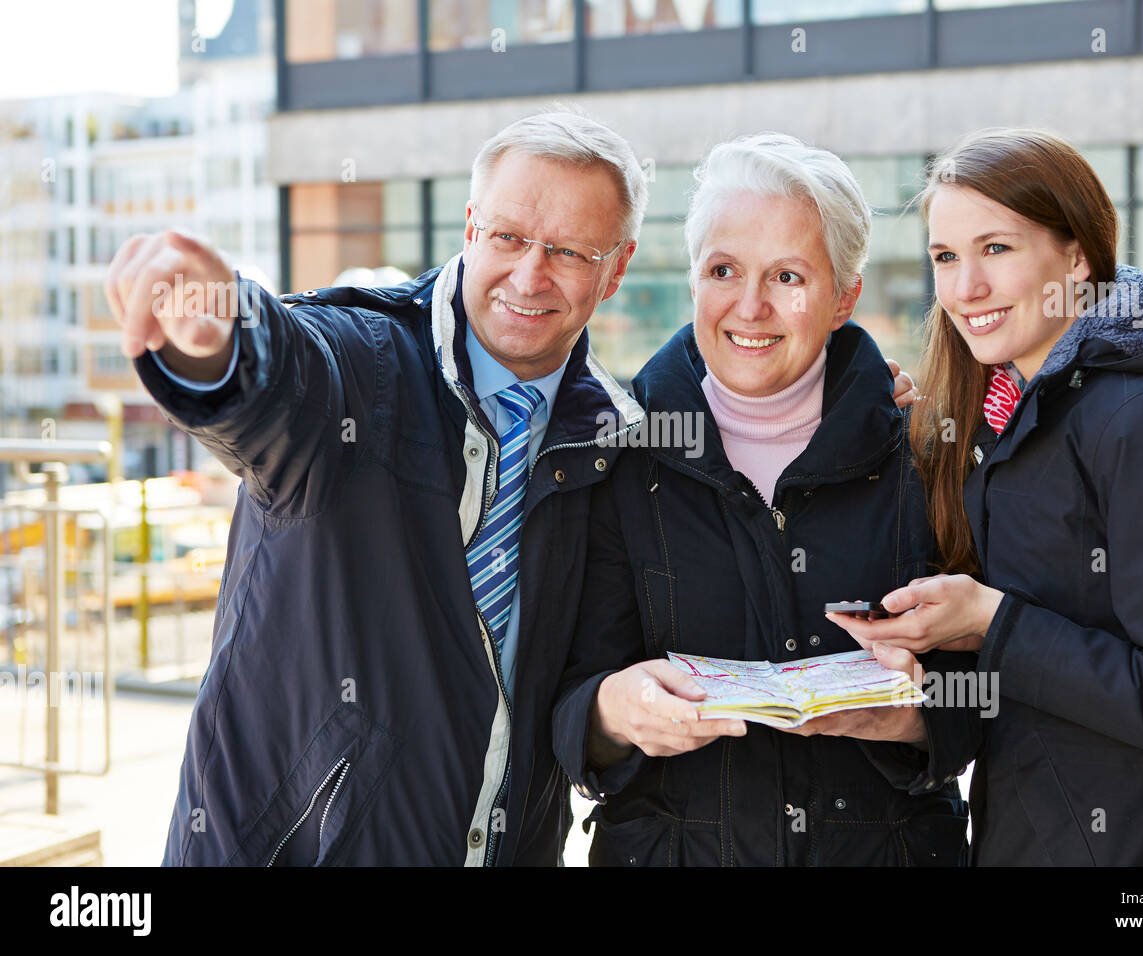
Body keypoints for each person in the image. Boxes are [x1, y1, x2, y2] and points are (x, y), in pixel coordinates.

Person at [104, 110, 651, 865]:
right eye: (509, 238)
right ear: (469, 228)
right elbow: (282, 379)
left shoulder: (615, 443)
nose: (531, 275)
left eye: (568, 251)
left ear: (616, 269)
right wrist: (219, 333)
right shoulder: (365, 368)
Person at [829, 128, 1143, 866]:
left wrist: (992, 621)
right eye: (946, 257)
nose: (965, 288)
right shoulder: (1006, 412)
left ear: (1076, 256)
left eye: (996, 249)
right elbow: (1031, 681)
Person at [552, 134, 979, 866]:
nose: (749, 306)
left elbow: (992, 695)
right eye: (723, 270)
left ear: (844, 298)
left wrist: (911, 722)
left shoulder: (928, 455)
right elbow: (564, 698)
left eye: (787, 276)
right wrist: (609, 713)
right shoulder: (617, 457)